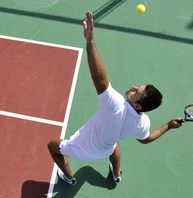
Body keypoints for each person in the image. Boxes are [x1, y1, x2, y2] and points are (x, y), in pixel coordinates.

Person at [47, 11, 183, 186]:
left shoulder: (115, 105)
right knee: (114, 145)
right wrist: (169, 126)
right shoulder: (142, 123)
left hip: (81, 150)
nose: (133, 88)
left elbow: (99, 79)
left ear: (138, 105)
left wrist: (90, 42)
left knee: (52, 146)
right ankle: (116, 174)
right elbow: (146, 138)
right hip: (105, 150)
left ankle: (69, 177)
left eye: (137, 92)